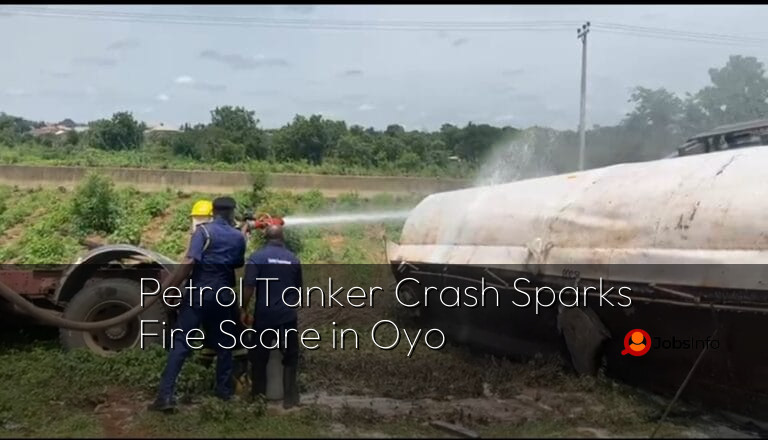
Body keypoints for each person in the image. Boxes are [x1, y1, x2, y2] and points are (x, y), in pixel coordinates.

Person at [149, 196, 247, 412]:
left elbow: (189, 261)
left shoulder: (203, 232)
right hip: (223, 296)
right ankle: (223, 394)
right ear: (232, 213)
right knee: (225, 344)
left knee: (182, 343)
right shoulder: (238, 237)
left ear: (213, 212)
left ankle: (165, 397)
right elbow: (238, 263)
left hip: (199, 294)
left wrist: (171, 286)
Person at [242, 224, 302, 409]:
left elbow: (249, 286)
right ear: (282, 238)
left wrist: (243, 309)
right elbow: (298, 290)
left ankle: (258, 397)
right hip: (287, 316)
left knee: (259, 356)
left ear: (265, 238)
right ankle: (290, 398)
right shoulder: (293, 259)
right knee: (290, 355)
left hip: (265, 315)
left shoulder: (257, 257)